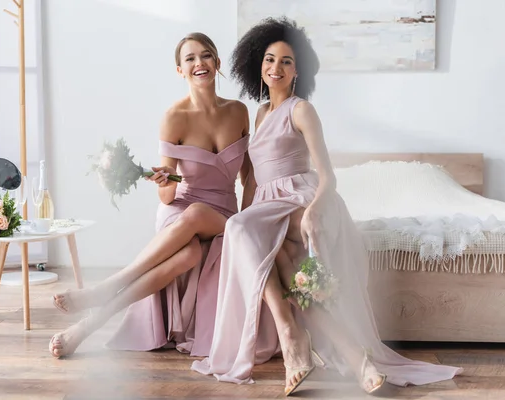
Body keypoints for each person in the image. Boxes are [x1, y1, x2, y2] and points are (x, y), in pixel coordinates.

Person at [192, 17, 462, 396]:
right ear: (259, 66)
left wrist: (316, 209)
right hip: (270, 205)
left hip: (301, 199)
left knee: (249, 233)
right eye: (270, 60)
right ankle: (336, 352)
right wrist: (247, 210)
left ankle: (298, 340)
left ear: (298, 69)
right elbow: (254, 179)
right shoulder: (260, 113)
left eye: (286, 61)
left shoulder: (301, 110)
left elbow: (327, 175)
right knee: (270, 251)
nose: (276, 68)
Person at [49, 32, 253, 358]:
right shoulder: (174, 117)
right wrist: (162, 182)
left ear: (216, 61)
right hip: (181, 209)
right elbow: (169, 196)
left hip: (221, 213)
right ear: (180, 70)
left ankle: (105, 287)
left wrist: (248, 218)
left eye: (205, 55)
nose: (199, 63)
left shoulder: (239, 112)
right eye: (190, 58)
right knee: (188, 254)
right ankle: (87, 326)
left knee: (199, 214)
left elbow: (248, 175)